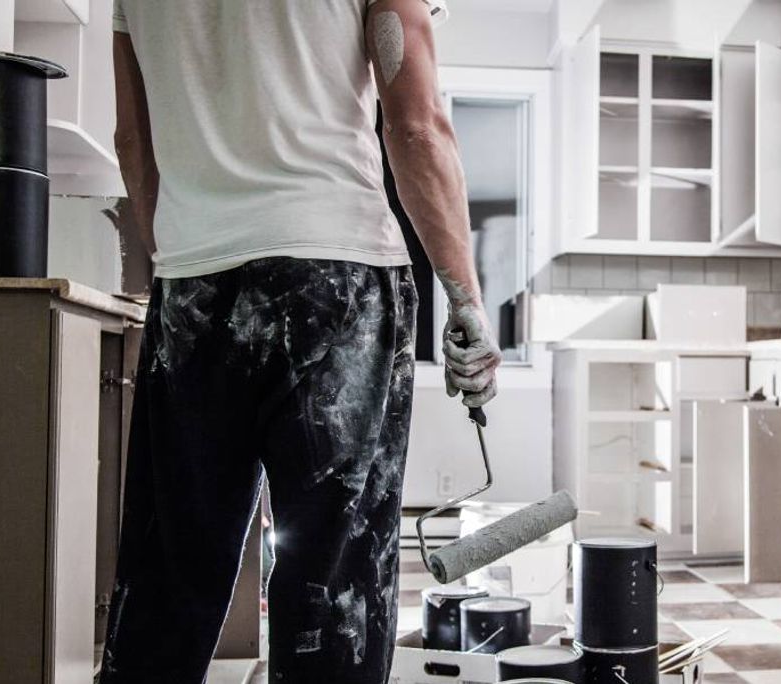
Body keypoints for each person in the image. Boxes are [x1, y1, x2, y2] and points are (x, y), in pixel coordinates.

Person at [101, 1, 502, 682]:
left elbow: (134, 143)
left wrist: (184, 259)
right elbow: (416, 123)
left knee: (169, 572)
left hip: (193, 282)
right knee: (333, 583)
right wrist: (464, 295)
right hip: (336, 276)